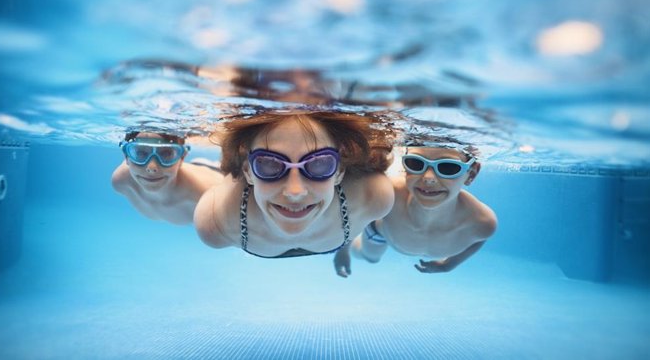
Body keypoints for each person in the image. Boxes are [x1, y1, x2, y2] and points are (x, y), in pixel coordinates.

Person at [193, 110, 395, 258]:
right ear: (248, 171)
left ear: (339, 171)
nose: (294, 192)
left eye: (319, 164)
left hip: (344, 236)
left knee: (369, 257)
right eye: (269, 165)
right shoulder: (216, 222)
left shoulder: (374, 196)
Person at [333, 140, 497, 277]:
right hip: (379, 233)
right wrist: (342, 251)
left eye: (448, 167)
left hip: (395, 237)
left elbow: (479, 239)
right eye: (416, 163)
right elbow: (356, 216)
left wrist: (449, 265)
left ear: (472, 174)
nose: (428, 178)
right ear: (405, 167)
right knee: (370, 258)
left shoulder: (482, 222)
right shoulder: (389, 192)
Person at [112, 131, 223, 225]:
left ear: (182, 158)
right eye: (140, 153)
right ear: (126, 157)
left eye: (166, 154)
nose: (152, 168)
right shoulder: (121, 181)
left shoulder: (208, 197)